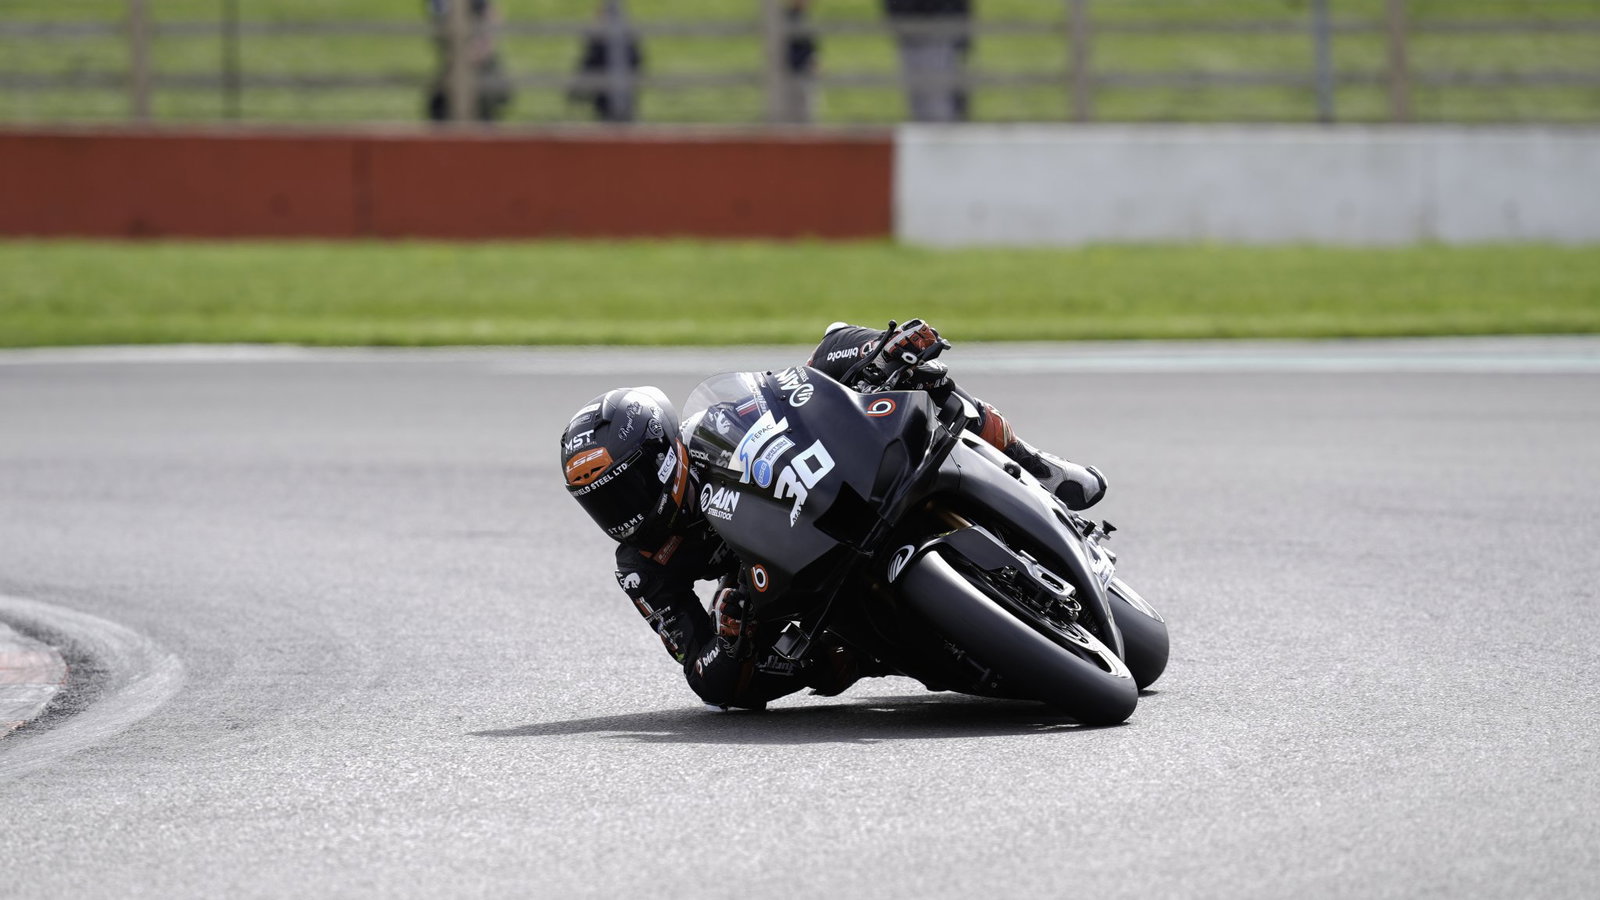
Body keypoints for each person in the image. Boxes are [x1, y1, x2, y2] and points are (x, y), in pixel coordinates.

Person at [558, 320, 1106, 711]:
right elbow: (704, 677)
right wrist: (728, 635)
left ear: (662, 453)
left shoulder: (722, 422)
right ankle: (905, 649)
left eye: (625, 490)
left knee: (862, 354)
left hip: (831, 485)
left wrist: (880, 352)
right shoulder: (642, 566)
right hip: (784, 585)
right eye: (602, 504)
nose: (621, 514)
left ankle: (1036, 462)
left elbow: (798, 385)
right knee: (797, 673)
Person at [425, 0, 514, 122]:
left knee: (483, 106)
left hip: (476, 60)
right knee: (441, 106)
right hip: (456, 60)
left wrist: (481, 49)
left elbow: (492, 16)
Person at [884, 0, 971, 123]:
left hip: (937, 26)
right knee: (923, 100)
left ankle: (944, 135)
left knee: (938, 103)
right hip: (915, 27)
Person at [569, 0, 644, 123]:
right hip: (624, 99)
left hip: (605, 100)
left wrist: (576, 92)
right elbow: (638, 63)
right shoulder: (628, 37)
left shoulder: (598, 39)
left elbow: (588, 65)